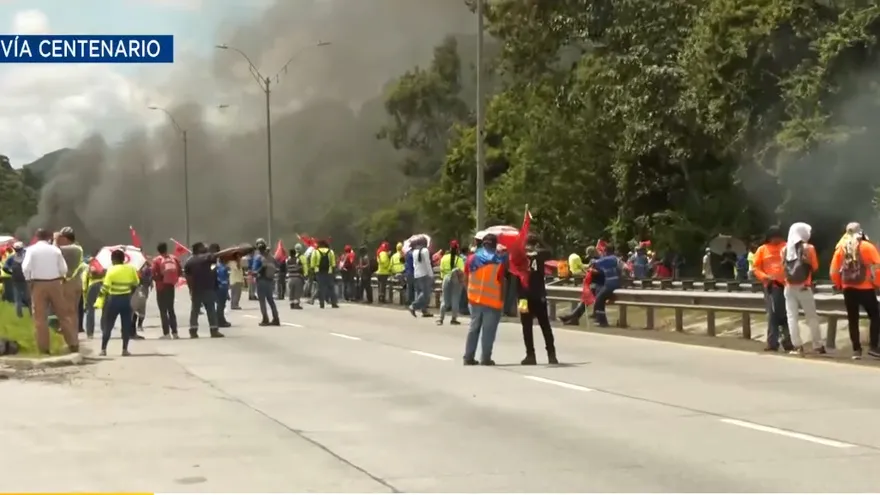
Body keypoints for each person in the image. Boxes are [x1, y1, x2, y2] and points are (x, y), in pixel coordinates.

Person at [21, 229, 78, 354]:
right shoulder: (55, 250)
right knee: (63, 315)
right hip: (55, 283)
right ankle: (73, 344)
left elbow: (26, 267)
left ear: (36, 236)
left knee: (40, 318)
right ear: (49, 237)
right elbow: (64, 268)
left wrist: (29, 280)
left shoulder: (31, 250)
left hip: (38, 283)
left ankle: (44, 348)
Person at [830, 223, 880, 359]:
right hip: (866, 288)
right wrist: (877, 283)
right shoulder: (868, 247)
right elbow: (877, 267)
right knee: (875, 316)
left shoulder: (841, 248)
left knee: (853, 319)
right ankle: (874, 347)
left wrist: (839, 284)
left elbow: (833, 270)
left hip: (848, 288)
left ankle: (856, 350)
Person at [463, 233, 507, 366]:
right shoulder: (499, 261)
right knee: (488, 332)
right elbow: (502, 282)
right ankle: (485, 358)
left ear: (482, 243)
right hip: (493, 301)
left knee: (473, 328)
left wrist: (469, 292)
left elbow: (465, 277)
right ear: (495, 244)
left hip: (474, 300)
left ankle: (468, 357)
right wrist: (503, 301)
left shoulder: (471, 258)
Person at [781, 223, 824, 356]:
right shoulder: (809, 248)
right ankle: (817, 345)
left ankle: (797, 346)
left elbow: (783, 268)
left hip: (788, 287)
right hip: (804, 287)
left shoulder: (784, 249)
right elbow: (815, 267)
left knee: (792, 317)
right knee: (811, 317)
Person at [518, 233, 558, 365]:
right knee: (545, 325)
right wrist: (540, 241)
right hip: (538, 294)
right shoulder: (541, 254)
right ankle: (551, 354)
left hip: (523, 296)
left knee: (526, 326)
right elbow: (550, 251)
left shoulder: (519, 255)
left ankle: (530, 355)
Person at [753, 226, 794, 352]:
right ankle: (772, 342)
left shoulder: (788, 247)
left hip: (788, 286)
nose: (776, 240)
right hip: (772, 286)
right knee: (773, 315)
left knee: (788, 315)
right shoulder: (762, 250)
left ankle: (788, 342)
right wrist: (765, 277)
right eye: (773, 237)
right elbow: (756, 268)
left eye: (778, 236)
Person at [96, 249, 140, 356]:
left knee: (108, 325)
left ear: (113, 259)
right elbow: (136, 283)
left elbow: (105, 288)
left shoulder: (111, 270)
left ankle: (103, 349)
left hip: (113, 300)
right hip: (126, 300)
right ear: (124, 259)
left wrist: (99, 300)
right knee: (126, 325)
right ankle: (124, 349)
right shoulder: (131, 269)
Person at [183, 242, 225, 338]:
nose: (205, 247)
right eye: (203, 246)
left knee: (195, 310)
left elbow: (188, 276)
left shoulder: (189, 261)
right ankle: (214, 330)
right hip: (208, 288)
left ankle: (193, 330)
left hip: (196, 289)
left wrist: (191, 289)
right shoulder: (207, 257)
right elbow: (215, 262)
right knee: (210, 309)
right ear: (198, 249)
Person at [55, 227, 85, 342]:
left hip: (69, 283)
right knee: (73, 311)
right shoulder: (77, 248)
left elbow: (54, 250)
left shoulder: (71, 248)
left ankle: (71, 338)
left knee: (68, 311)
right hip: (76, 283)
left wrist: (55, 239)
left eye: (61, 237)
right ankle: (74, 336)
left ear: (66, 238)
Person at [559, 246, 601, 325]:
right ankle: (573, 318)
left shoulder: (594, 261)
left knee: (584, 302)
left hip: (597, 285)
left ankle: (571, 317)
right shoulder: (601, 259)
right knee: (584, 302)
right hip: (599, 284)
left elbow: (593, 273)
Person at [151, 242, 181, 339]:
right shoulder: (174, 258)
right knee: (171, 309)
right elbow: (180, 271)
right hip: (170, 286)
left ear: (158, 250)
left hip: (161, 288)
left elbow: (154, 274)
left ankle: (166, 334)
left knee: (163, 311)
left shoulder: (156, 260)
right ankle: (175, 333)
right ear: (166, 248)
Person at [592, 245, 625, 327]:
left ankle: (602, 321)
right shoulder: (615, 259)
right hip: (613, 284)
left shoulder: (610, 259)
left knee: (598, 300)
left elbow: (594, 263)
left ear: (606, 251)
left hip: (611, 284)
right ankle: (601, 320)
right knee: (600, 300)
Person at [250, 240, 280, 325]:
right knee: (271, 300)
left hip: (261, 280)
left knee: (262, 301)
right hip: (270, 280)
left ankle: (265, 319)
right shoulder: (271, 256)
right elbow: (277, 266)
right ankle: (276, 318)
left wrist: (255, 273)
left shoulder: (258, 257)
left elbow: (258, 269)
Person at [437, 240, 464, 325]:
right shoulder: (459, 259)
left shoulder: (444, 258)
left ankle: (441, 318)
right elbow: (462, 271)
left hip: (446, 278)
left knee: (445, 299)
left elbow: (441, 270)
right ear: (457, 249)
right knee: (455, 299)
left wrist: (444, 277)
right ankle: (453, 319)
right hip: (456, 279)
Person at [2, 242, 30, 318]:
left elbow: (5, 268)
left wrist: (11, 273)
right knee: (29, 297)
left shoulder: (12, 257)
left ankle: (19, 315)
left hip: (16, 279)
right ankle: (32, 314)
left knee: (18, 298)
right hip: (27, 279)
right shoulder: (27, 256)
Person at [409, 236, 434, 317]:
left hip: (417, 274)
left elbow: (414, 264)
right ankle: (413, 306)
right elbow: (427, 263)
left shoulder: (414, 251)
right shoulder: (425, 250)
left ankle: (424, 310)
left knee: (420, 293)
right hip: (424, 274)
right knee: (426, 293)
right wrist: (431, 274)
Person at [310, 239, 339, 309]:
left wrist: (313, 271)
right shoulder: (330, 252)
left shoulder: (315, 252)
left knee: (321, 288)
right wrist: (333, 271)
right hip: (329, 272)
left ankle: (322, 304)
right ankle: (334, 303)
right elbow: (333, 263)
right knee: (331, 288)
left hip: (319, 272)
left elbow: (312, 264)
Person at [208, 244, 232, 328]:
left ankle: (219, 320)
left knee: (220, 305)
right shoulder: (218, 264)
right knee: (220, 305)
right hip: (220, 286)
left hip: (218, 286)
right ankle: (220, 320)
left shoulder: (213, 263)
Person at [82, 253, 104, 339]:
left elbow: (84, 280)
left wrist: (84, 291)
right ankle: (104, 330)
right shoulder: (104, 266)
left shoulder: (89, 266)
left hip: (92, 287)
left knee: (90, 311)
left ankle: (90, 333)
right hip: (103, 286)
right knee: (105, 309)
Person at [129, 262, 151, 340]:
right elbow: (139, 281)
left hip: (131, 292)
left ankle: (131, 332)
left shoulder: (135, 268)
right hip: (135, 292)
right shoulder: (135, 269)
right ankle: (131, 333)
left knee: (132, 313)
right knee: (133, 313)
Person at [286, 245, 307, 309]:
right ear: (295, 253)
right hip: (297, 278)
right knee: (297, 292)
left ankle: (291, 304)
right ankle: (296, 304)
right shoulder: (298, 260)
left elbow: (286, 268)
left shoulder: (287, 260)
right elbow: (300, 268)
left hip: (290, 278)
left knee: (291, 292)